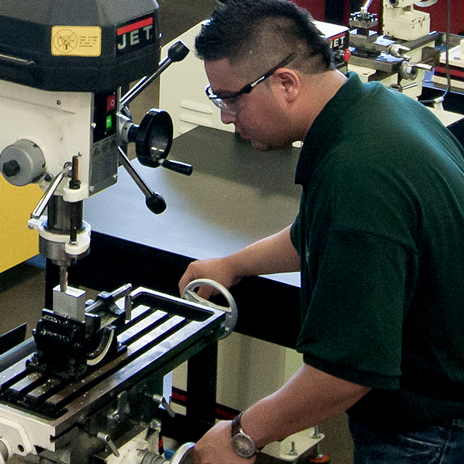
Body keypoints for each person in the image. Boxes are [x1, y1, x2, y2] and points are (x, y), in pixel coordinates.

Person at [178, 0, 464, 462]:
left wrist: (239, 436)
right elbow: (313, 231)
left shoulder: (360, 173)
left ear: (286, 83)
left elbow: (344, 373)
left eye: (231, 98)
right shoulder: (373, 110)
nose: (226, 116)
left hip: (429, 430)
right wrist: (232, 265)